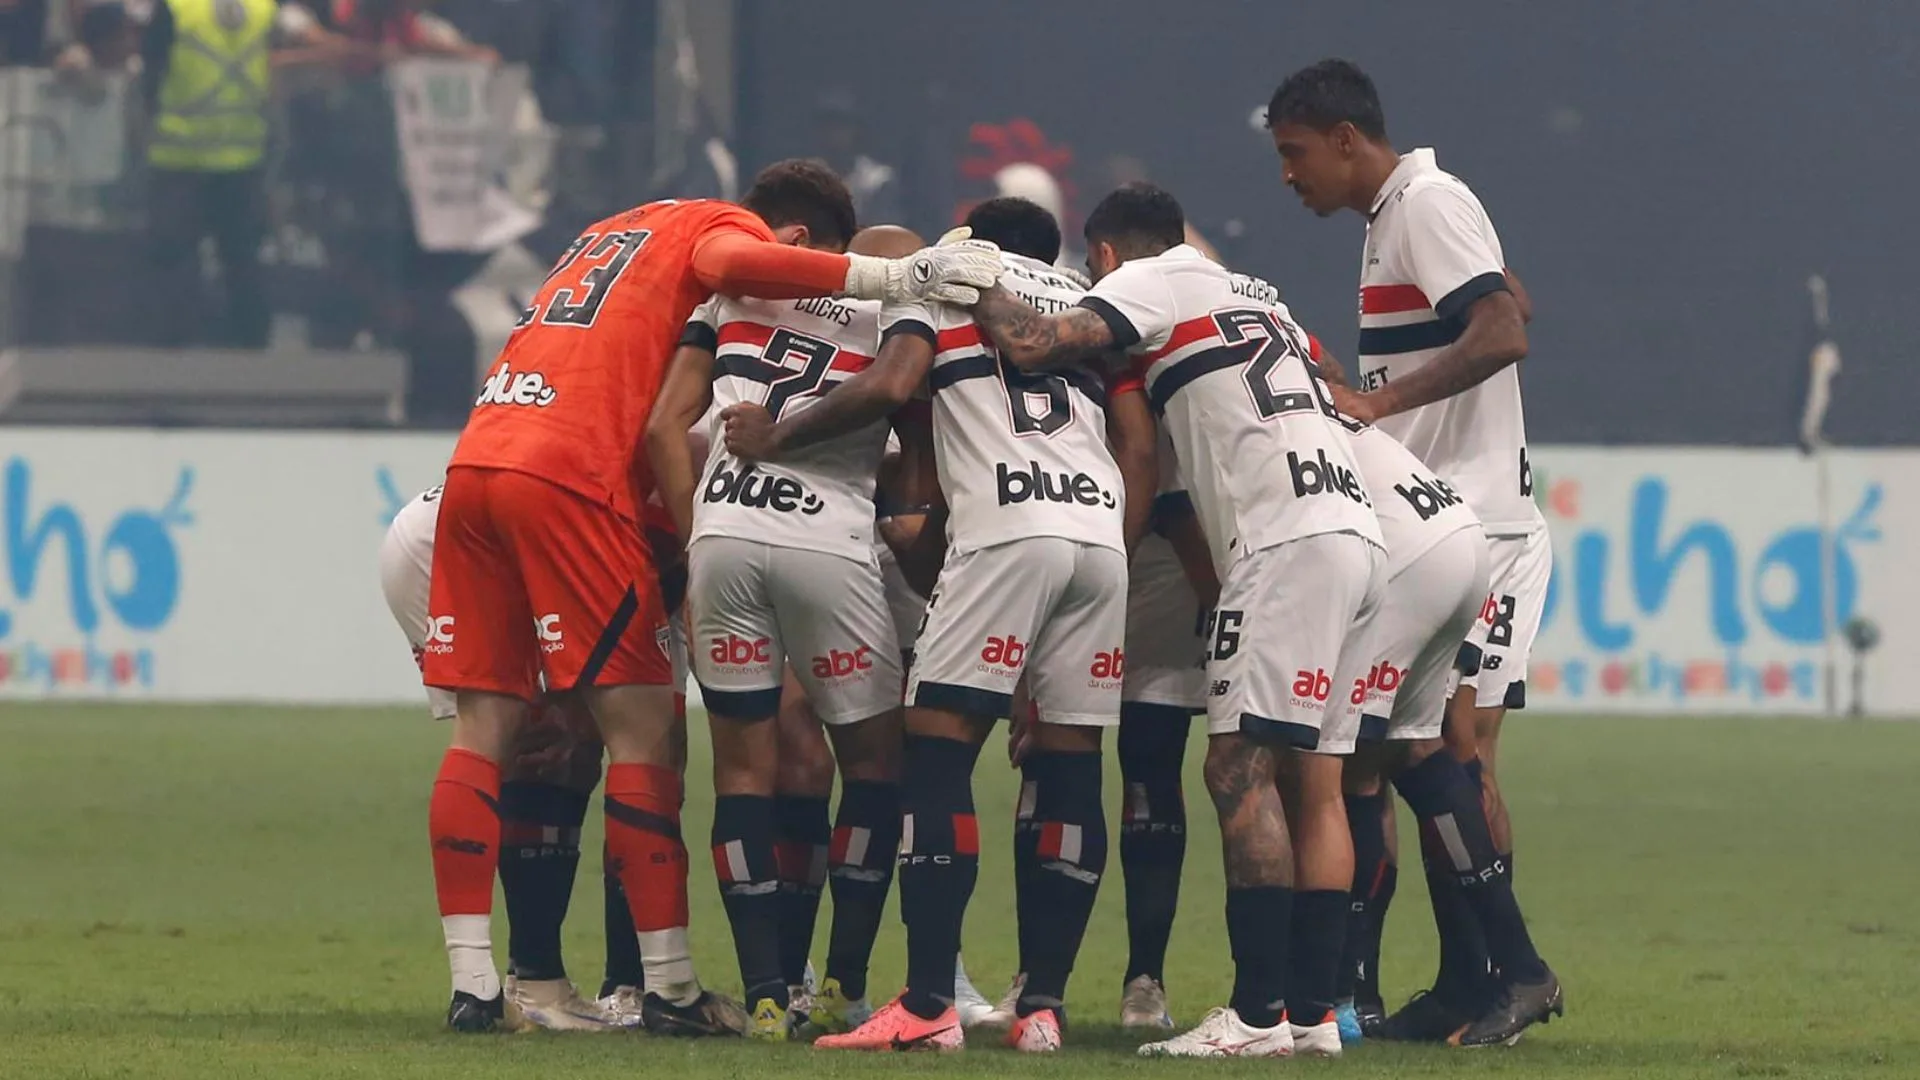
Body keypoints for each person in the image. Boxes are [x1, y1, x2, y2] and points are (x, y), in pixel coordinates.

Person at [417, 158, 1003, 1034]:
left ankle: (478, 984)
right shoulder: (722, 235)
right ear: (795, 242)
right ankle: (674, 987)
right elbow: (735, 273)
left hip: (476, 461)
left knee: (490, 727)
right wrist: (895, 276)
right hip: (578, 480)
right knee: (649, 729)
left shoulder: (612, 229)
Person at [723, 195, 1157, 1053]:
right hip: (1100, 535)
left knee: (936, 751)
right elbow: (1139, 443)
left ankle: (927, 1005)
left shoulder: (944, 280)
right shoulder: (1079, 301)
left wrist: (777, 439)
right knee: (1072, 762)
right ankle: (1045, 1008)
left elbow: (889, 384)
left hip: (1005, 527)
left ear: (971, 242)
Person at [967, 182, 1386, 1058]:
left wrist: (967, 276)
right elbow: (1338, 384)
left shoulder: (1146, 283)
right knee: (1317, 774)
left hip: (1281, 544)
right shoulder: (1256, 293)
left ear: (1110, 258)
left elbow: (1036, 341)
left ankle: (1255, 1015)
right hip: (1354, 528)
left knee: (1237, 766)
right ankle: (1312, 1018)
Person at [1266, 58, 1562, 1046]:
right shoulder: (1396, 219)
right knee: (1411, 751)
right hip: (1444, 520)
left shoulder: (1426, 200)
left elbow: (1506, 328)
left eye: (1295, 153)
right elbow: (1510, 297)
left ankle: (1502, 979)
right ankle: (1472, 981)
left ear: (1347, 139)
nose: (1288, 175)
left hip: (1487, 531)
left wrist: (1377, 403)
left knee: (1455, 753)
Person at [644, 223, 921, 1040]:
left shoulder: (733, 295)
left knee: (741, 775)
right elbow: (899, 395)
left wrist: (700, 534)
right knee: (874, 766)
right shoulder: (901, 302)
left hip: (723, 536)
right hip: (826, 544)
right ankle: (841, 986)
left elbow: (667, 421)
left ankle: (765, 993)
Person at [377, 483, 692, 1032]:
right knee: (569, 744)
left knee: (590, 741)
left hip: (458, 524)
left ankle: (593, 982)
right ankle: (575, 982)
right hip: (517, 541)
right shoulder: (690, 438)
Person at [141, 0, 332, 348]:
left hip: (178, 156)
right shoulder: (263, 8)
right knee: (243, 264)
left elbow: (150, 74)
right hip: (242, 156)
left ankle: (172, 358)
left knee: (174, 265)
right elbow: (309, 49)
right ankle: (250, 356)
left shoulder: (175, 7)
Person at [1113, 442, 1214, 1031]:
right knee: (1047, 760)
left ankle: (1145, 981)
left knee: (1151, 767)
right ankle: (1037, 985)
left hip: (1168, 572)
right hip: (1079, 539)